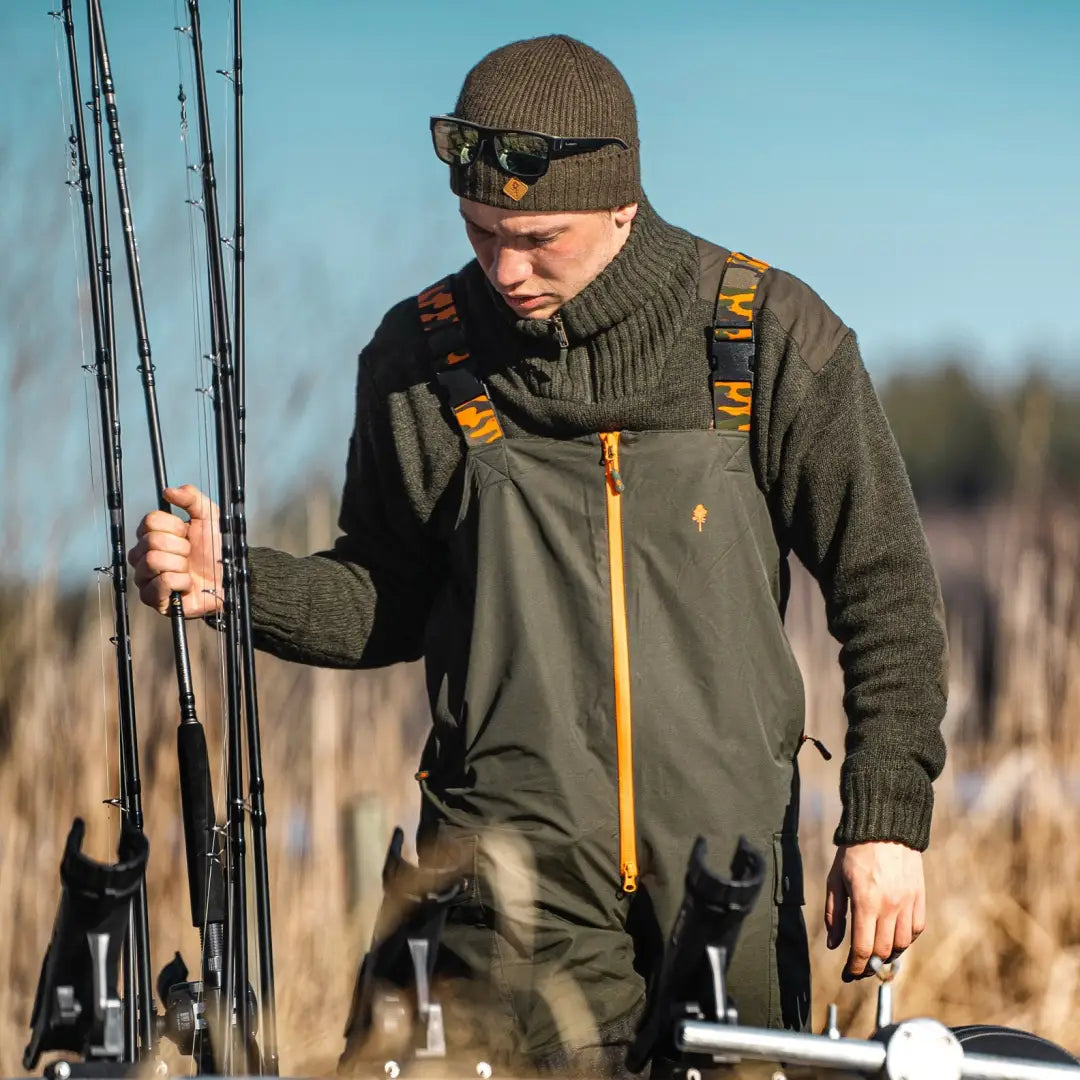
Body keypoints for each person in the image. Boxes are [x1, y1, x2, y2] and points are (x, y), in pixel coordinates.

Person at [129, 34, 947, 1076]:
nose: (505, 270)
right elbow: (385, 598)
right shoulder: (418, 358)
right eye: (480, 233)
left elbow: (889, 595)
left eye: (538, 238)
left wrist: (886, 823)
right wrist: (230, 582)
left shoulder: (768, 333)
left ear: (620, 204)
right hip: (502, 902)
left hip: (729, 890)